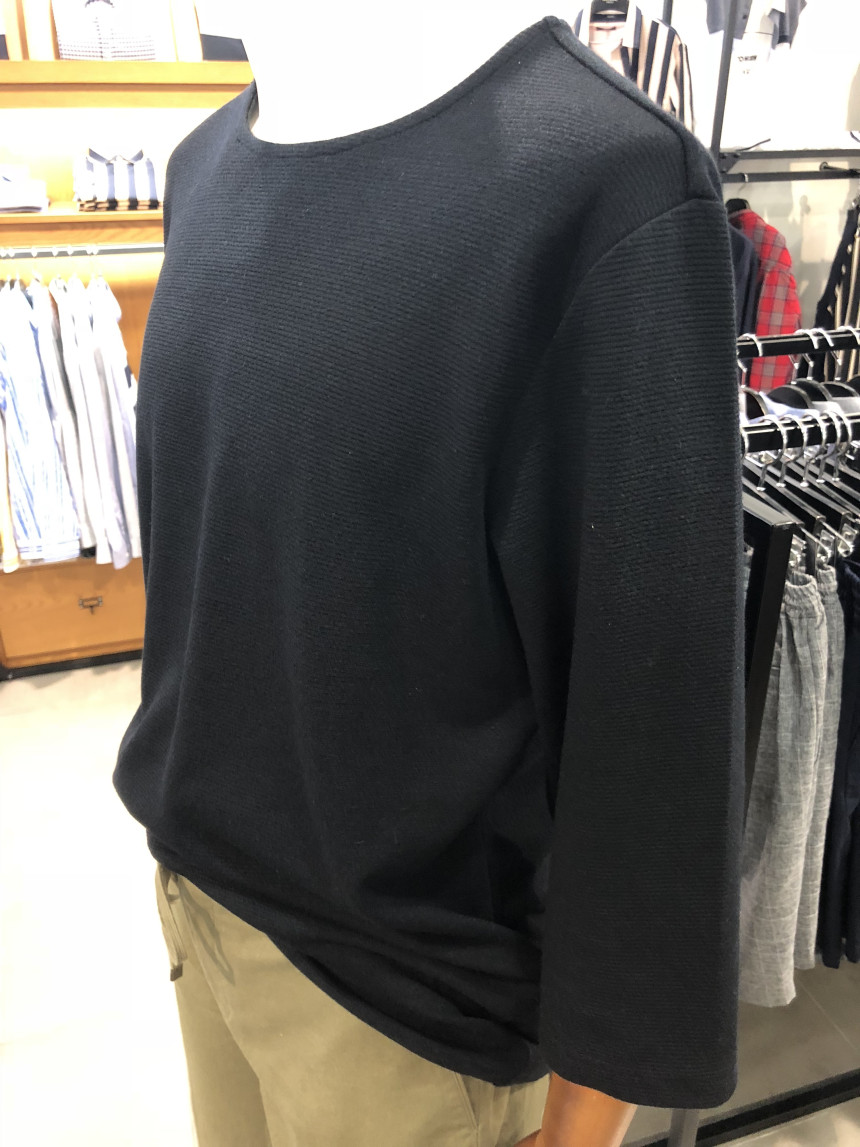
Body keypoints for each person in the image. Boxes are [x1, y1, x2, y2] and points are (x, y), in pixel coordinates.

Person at [114, 3, 745, 1145]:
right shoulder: (202, 169)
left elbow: (653, 721)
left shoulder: (604, 183)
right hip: (200, 902)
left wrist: (588, 1119)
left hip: (403, 1010)